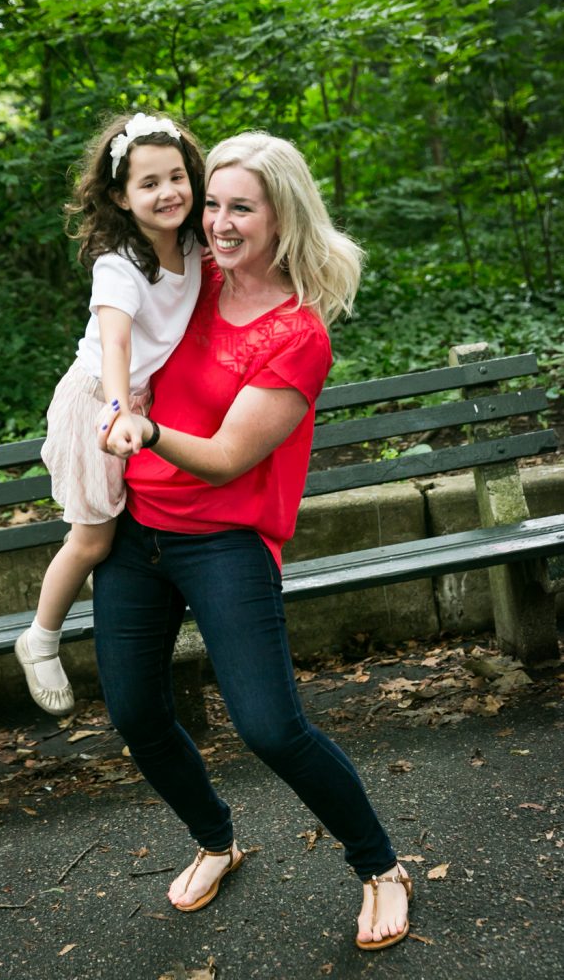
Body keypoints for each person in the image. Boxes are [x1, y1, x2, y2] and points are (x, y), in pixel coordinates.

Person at [94, 131, 413, 950]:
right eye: (213, 204)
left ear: (283, 217)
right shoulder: (188, 277)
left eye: (242, 208)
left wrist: (144, 428)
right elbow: (120, 283)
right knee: (135, 713)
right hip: (136, 533)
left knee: (270, 727)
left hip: (223, 542)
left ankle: (380, 866)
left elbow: (228, 457)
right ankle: (215, 840)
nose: (219, 222)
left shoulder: (297, 335)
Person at [15, 112, 206, 716]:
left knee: (133, 530)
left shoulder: (196, 242)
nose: (167, 192)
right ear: (122, 197)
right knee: (93, 538)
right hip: (99, 400)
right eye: (149, 183)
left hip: (143, 404)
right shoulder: (119, 263)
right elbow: (117, 341)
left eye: (176, 177)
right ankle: (39, 638)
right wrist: (119, 410)